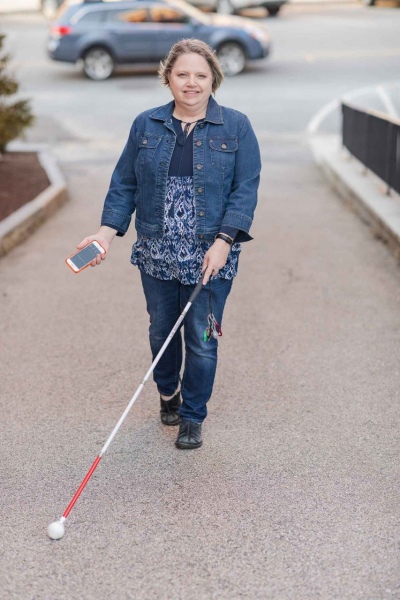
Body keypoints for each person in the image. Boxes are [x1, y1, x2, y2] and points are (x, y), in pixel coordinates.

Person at [77, 39, 261, 450]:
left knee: (201, 338)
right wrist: (105, 234)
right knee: (162, 331)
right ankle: (167, 393)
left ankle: (193, 416)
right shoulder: (146, 125)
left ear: (214, 78)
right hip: (156, 252)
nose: (191, 83)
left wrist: (225, 240)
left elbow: (245, 190)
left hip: (210, 255)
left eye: (200, 75)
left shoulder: (236, 126)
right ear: (168, 78)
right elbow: (125, 183)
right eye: (182, 74)